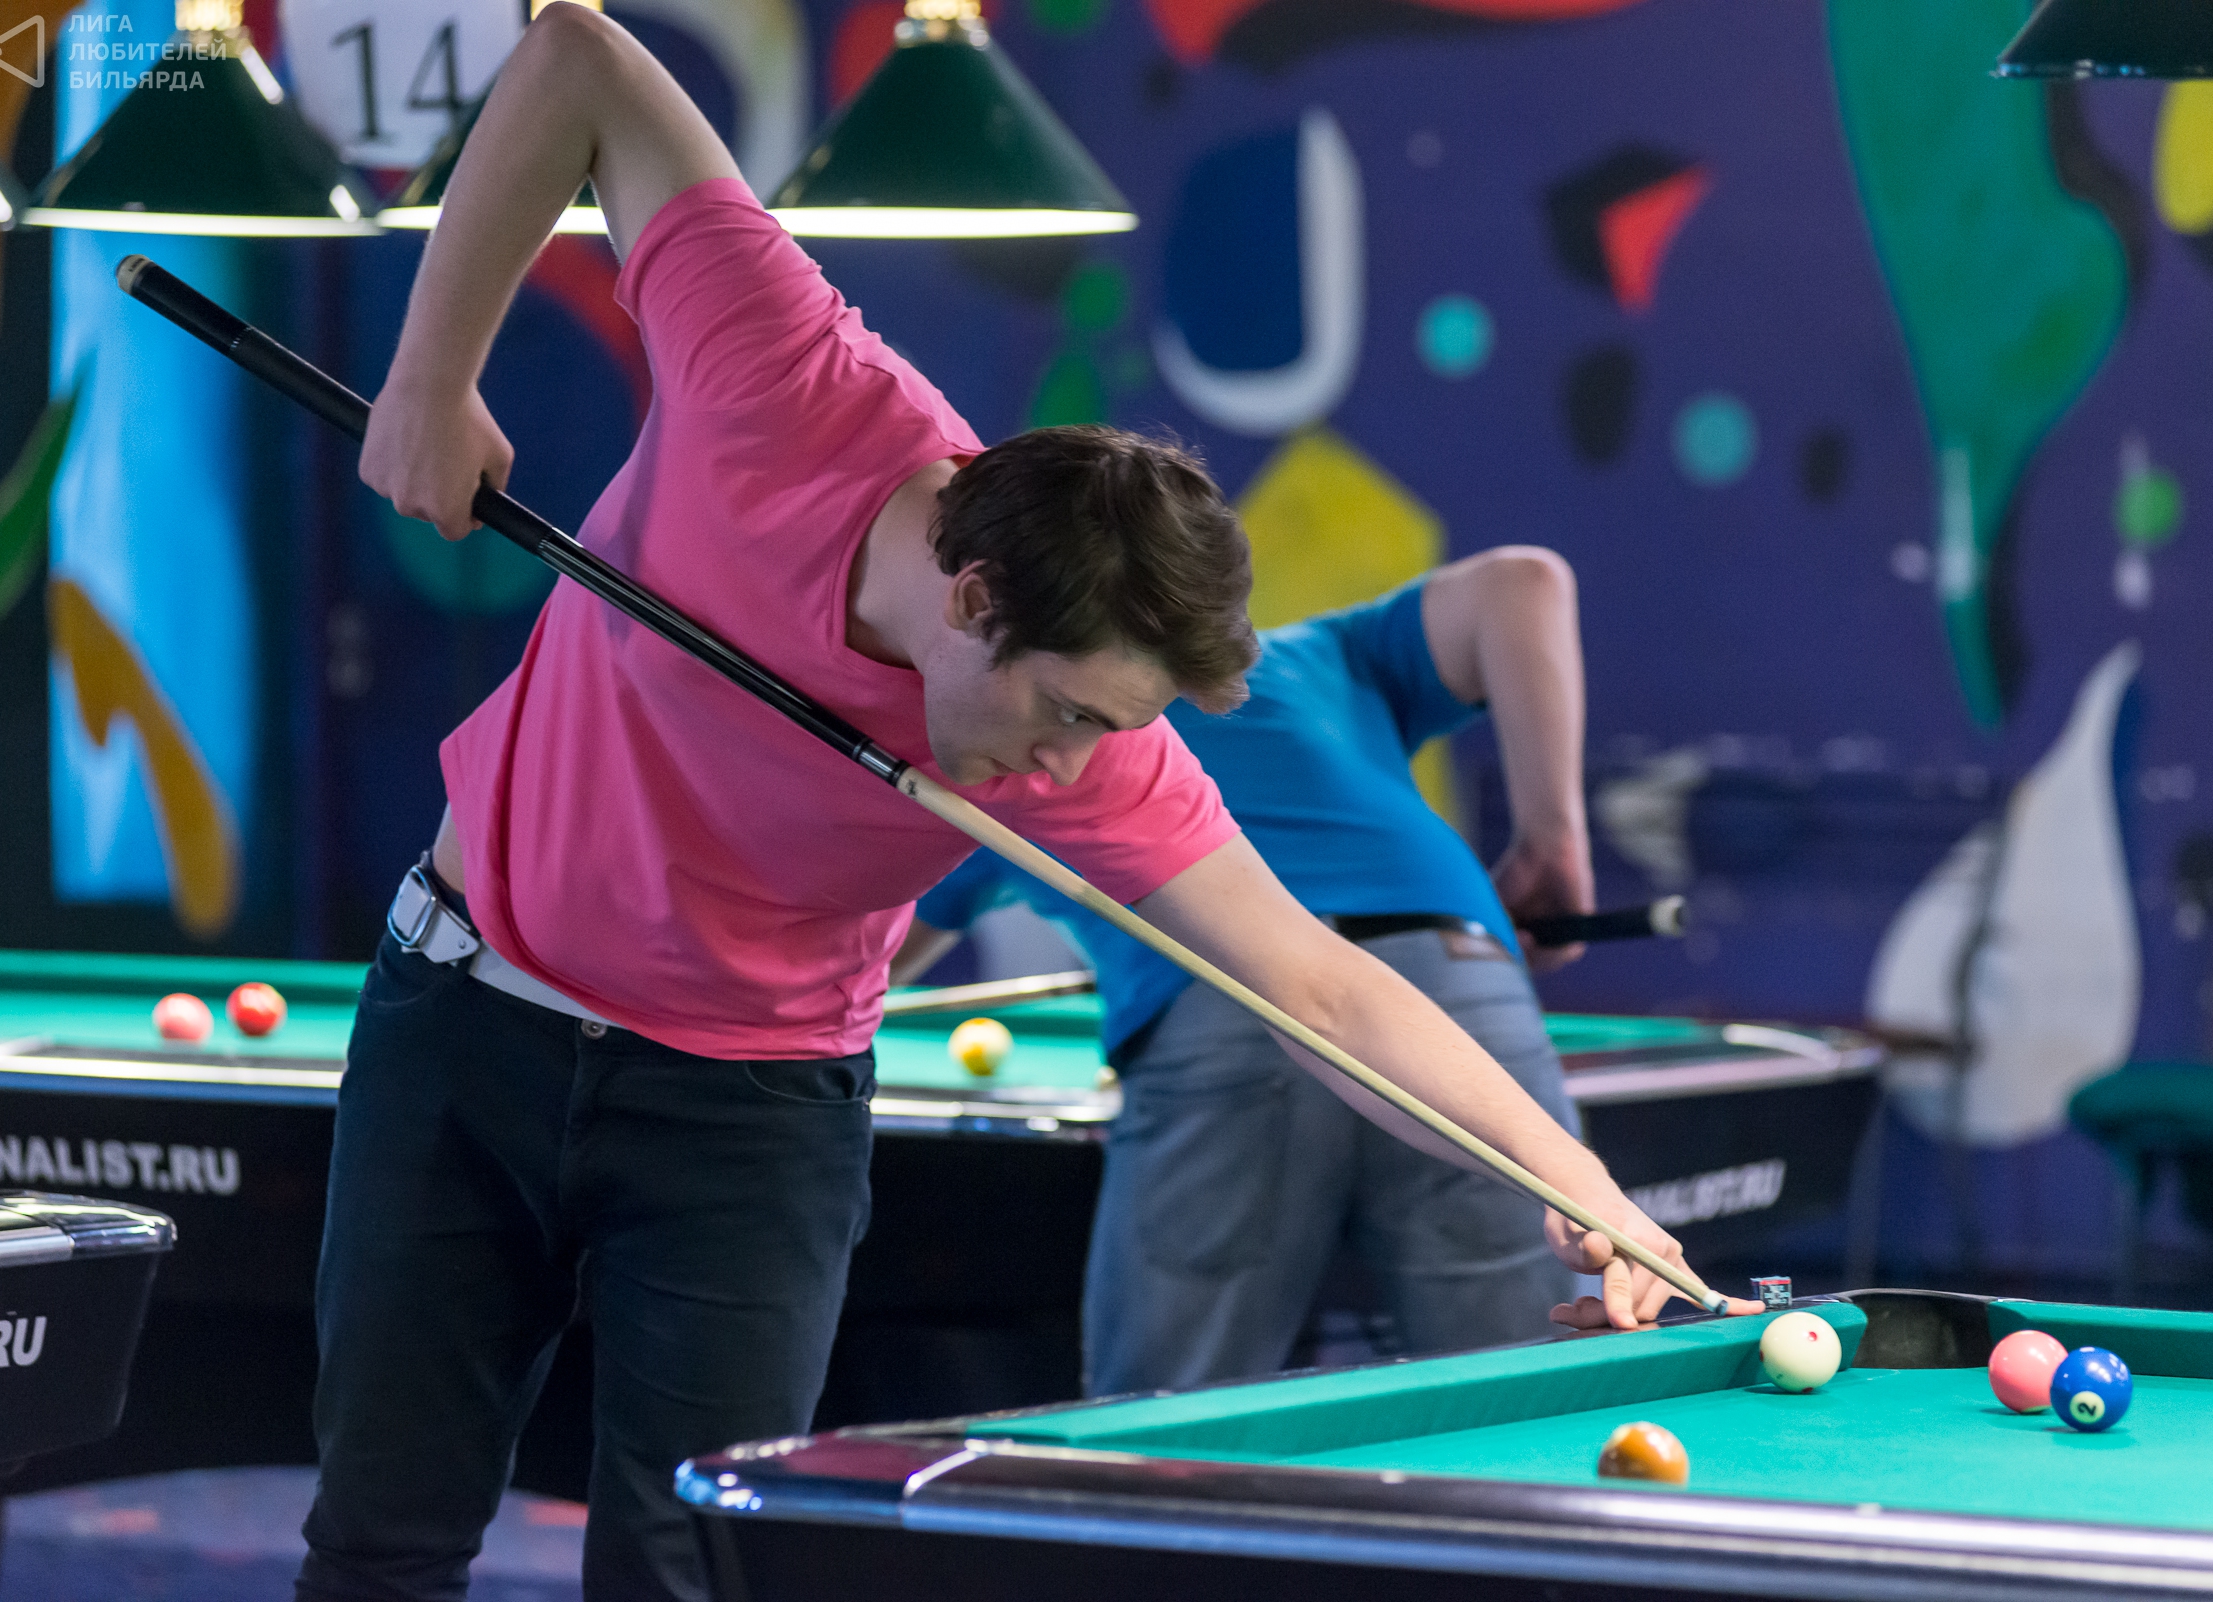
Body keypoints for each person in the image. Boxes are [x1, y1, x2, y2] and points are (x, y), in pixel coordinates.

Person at [314, 6, 1744, 1597]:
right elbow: (576, 58)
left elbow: (1323, 986)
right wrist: (433, 378)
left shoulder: (1094, 752)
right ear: (975, 594)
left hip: (748, 1115)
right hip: (469, 1010)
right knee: (382, 1540)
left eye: (1106, 733)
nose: (1070, 772)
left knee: (693, 1572)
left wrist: (1579, 1184)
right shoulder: (782, 376)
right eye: (1065, 714)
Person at [897, 549, 1612, 1396]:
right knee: (1532, 1402)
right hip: (1460, 998)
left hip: (1220, 1011)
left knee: (1161, 1436)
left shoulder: (1018, 740)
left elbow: (869, 967)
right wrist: (1552, 843)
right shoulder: (1321, 654)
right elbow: (1526, 582)